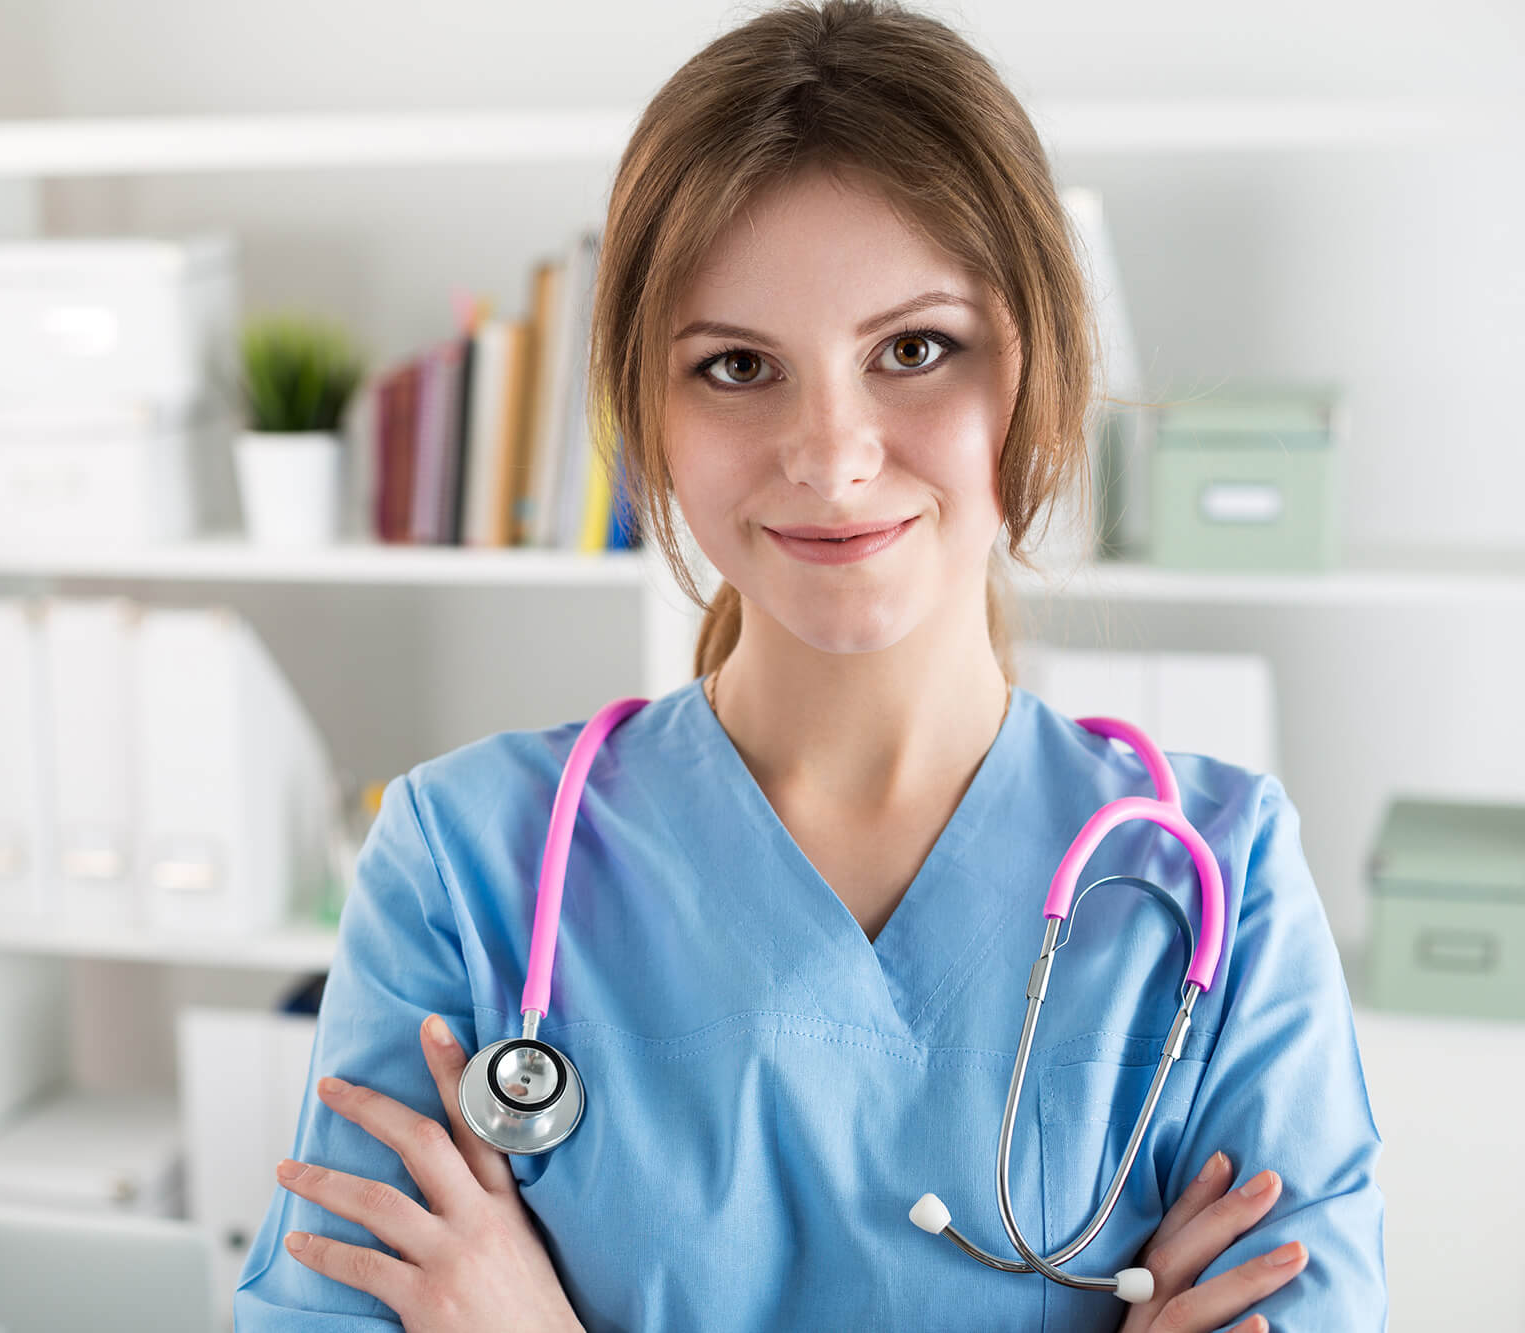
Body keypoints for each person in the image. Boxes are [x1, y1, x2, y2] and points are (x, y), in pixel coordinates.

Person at [231, 1, 1387, 1328]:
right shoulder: (462, 865)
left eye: (915, 350)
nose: (831, 456)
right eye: (735, 365)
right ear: (645, 417)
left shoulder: (1223, 884)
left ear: (1044, 370)